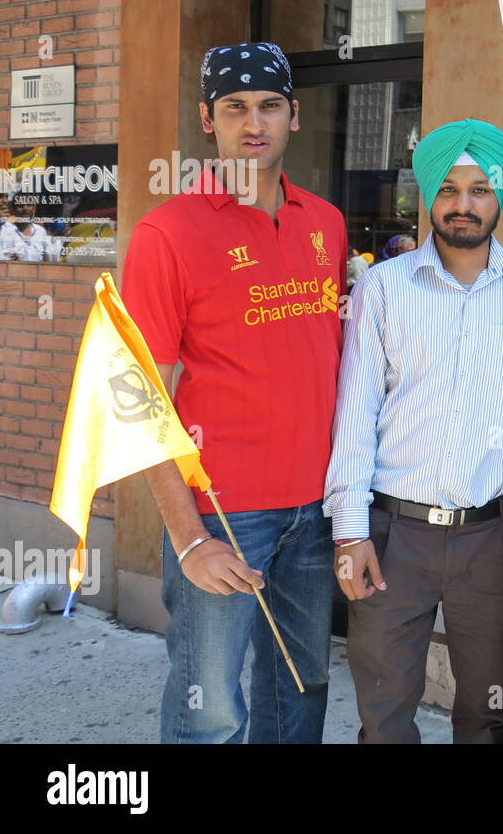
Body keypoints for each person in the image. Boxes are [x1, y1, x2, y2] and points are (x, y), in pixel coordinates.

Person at [122, 41, 347, 744]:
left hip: (317, 511)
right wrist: (189, 540)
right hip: (223, 516)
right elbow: (140, 402)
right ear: (207, 119)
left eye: (270, 106)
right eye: (236, 107)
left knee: (300, 697)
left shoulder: (327, 223)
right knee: (208, 713)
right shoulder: (167, 234)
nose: (255, 122)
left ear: (295, 117)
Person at [325, 120, 503, 743]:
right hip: (393, 537)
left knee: (488, 713)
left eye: (479, 188)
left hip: (491, 540)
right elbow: (355, 411)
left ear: (502, 196)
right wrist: (351, 531)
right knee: (384, 715)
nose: (463, 204)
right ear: (427, 197)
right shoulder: (385, 287)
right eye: (448, 188)